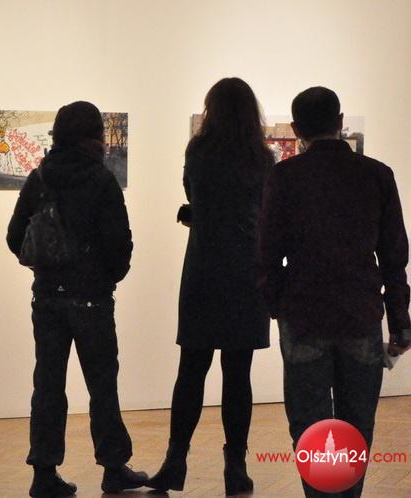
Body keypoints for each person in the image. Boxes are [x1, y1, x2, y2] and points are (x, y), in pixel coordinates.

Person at [258, 87, 410, 497]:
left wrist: (278, 306)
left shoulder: (285, 177)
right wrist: (400, 321)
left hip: (304, 316)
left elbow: (266, 253)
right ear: (340, 122)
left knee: (310, 426)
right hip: (360, 313)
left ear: (296, 129)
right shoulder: (377, 175)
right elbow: (394, 257)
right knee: (356, 424)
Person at [6, 101, 147, 497]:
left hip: (47, 298)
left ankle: (43, 472)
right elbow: (119, 244)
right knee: (102, 384)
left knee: (47, 384)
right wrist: (105, 278)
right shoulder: (101, 180)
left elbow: (15, 237)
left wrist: (45, 266)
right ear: (94, 136)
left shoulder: (39, 178)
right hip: (92, 300)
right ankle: (113, 467)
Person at [147, 78, 274, 496]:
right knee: (238, 373)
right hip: (246, 271)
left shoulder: (199, 151)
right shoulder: (262, 157)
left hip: (204, 267)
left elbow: (196, 196)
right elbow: (261, 210)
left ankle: (175, 461)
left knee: (191, 369)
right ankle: (235, 466)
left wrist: (195, 214)